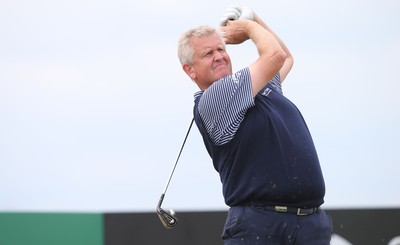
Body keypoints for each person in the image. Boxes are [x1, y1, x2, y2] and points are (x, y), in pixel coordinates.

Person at [177, 5, 332, 245]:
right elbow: (275, 56)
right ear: (190, 70)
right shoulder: (214, 98)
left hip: (308, 224)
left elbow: (284, 56)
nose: (219, 55)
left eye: (221, 48)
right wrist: (248, 28)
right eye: (207, 54)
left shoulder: (258, 89)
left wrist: (253, 18)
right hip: (260, 224)